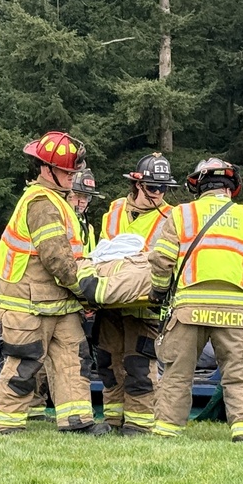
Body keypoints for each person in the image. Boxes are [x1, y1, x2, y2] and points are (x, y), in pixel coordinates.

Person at [0, 131, 109, 435]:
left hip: (57, 301)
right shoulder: (42, 203)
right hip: (29, 303)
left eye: (73, 172)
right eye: (67, 172)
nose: (72, 178)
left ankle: (76, 422)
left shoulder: (58, 200)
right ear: (46, 169)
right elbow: (57, 259)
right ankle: (7, 425)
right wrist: (87, 292)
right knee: (25, 362)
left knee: (74, 358)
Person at [148, 158, 243, 442]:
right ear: (231, 188)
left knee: (177, 373)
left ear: (198, 187)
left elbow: (162, 261)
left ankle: (167, 430)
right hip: (236, 312)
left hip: (189, 310)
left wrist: (159, 292)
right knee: (240, 372)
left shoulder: (181, 215)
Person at [96, 153, 179, 435]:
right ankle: (112, 420)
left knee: (138, 365)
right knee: (109, 363)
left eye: (163, 189)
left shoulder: (170, 217)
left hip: (144, 305)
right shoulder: (115, 209)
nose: (159, 194)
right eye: (153, 188)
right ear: (137, 184)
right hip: (110, 302)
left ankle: (139, 424)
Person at [29, 167, 101, 420]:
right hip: (37, 292)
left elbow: (86, 260)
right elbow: (56, 260)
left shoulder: (85, 227)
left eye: (86, 198)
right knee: (34, 354)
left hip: (67, 294)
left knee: (67, 356)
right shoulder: (51, 214)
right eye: (77, 196)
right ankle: (34, 408)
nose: (81, 202)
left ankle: (70, 415)